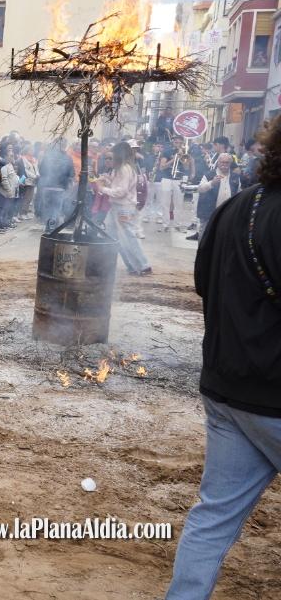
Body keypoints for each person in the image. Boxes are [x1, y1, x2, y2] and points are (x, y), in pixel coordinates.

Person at [164, 117, 281, 600]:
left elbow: (202, 283)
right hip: (272, 398)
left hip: (225, 388)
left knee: (212, 517)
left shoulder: (237, 205)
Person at [93, 142, 151, 276]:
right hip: (116, 207)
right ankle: (131, 266)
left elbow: (121, 191)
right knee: (112, 236)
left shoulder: (124, 169)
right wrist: (107, 181)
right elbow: (118, 186)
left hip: (124, 208)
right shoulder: (119, 168)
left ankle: (143, 265)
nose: (111, 156)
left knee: (129, 237)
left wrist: (102, 188)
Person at [188, 153, 241, 242]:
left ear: (230, 163)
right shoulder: (209, 175)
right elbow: (200, 189)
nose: (224, 165)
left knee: (223, 238)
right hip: (209, 213)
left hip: (227, 213)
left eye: (227, 162)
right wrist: (212, 183)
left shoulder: (235, 177)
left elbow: (239, 193)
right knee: (205, 237)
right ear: (218, 162)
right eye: (222, 162)